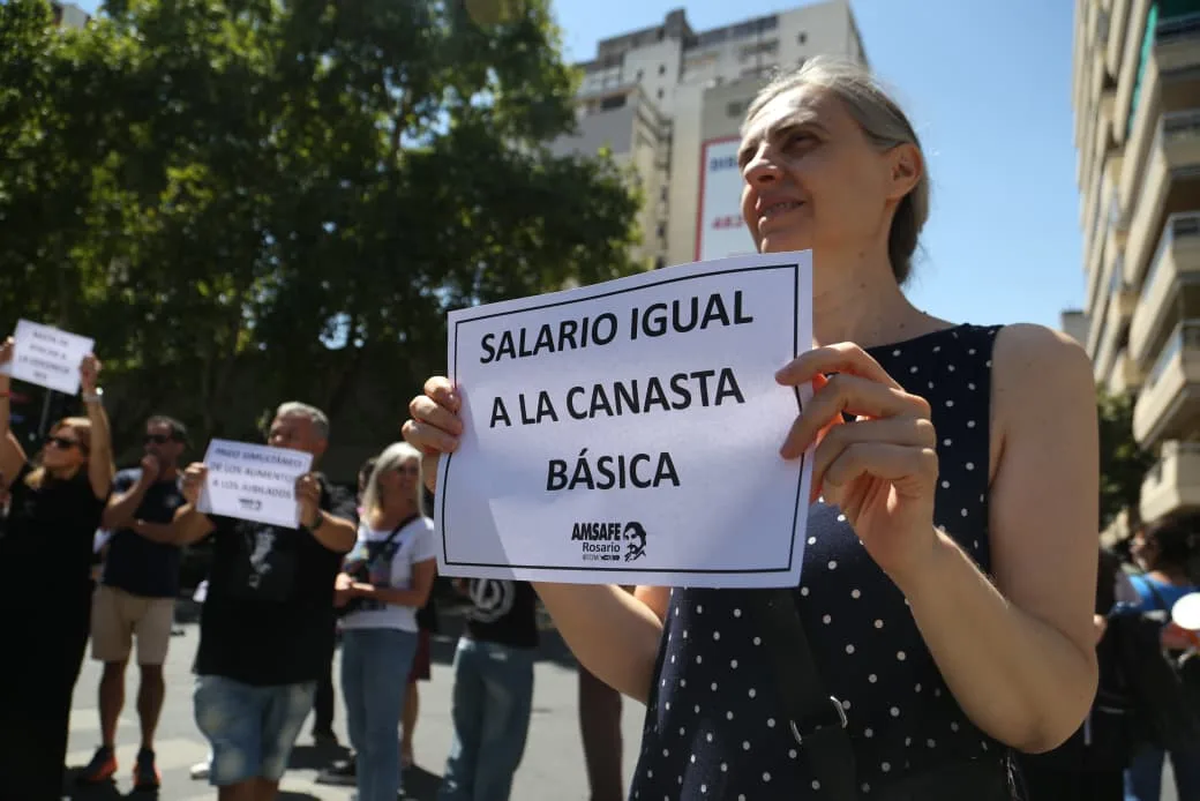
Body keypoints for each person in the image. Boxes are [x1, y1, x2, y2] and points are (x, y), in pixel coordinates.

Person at [404, 56, 1100, 799]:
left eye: (800, 142)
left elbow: (1047, 712)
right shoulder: (702, 385)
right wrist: (511, 504)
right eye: (749, 158)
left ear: (900, 169)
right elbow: (655, 658)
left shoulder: (1024, 368)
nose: (762, 169)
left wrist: (922, 559)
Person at [161, 401, 357, 801]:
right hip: (227, 659)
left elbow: (346, 538)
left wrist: (312, 516)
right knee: (234, 774)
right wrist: (198, 497)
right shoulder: (237, 483)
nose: (278, 440)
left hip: (295, 664)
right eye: (275, 433)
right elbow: (182, 532)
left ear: (318, 446)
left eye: (291, 435)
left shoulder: (329, 494)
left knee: (269, 772)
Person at [0, 337, 115, 798]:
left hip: (58, 618)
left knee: (43, 710)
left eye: (64, 441)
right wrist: (4, 374)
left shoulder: (90, 492)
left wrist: (91, 393)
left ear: (82, 453)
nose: (50, 445)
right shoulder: (27, 483)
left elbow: (105, 451)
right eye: (50, 438)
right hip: (10, 609)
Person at [78, 414, 188, 789]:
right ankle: (107, 749)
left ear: (179, 446)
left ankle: (146, 752)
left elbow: (174, 534)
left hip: (159, 594)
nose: (152, 447)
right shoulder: (127, 478)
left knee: (152, 672)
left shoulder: (189, 488)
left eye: (161, 439)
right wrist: (142, 484)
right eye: (148, 440)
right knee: (113, 668)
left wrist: (137, 526)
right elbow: (109, 518)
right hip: (116, 589)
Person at [335, 442, 437, 801]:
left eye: (414, 470)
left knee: (381, 731)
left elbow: (418, 597)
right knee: (358, 730)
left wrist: (363, 589)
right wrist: (340, 586)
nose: (408, 478)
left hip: (393, 634)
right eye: (401, 469)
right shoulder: (360, 522)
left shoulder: (423, 529)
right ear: (383, 475)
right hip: (352, 632)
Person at [437, 578, 539, 801]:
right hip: (511, 646)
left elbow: (460, 583)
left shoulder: (479, 542)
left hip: (472, 642)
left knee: (464, 741)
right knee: (499, 750)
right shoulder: (529, 543)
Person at [1123, 516, 1200, 801]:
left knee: (1139, 792)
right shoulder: (1195, 593)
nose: (1133, 548)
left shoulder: (1132, 590)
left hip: (1142, 706)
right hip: (1193, 707)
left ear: (1153, 548)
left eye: (1137, 543)